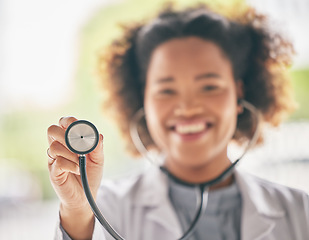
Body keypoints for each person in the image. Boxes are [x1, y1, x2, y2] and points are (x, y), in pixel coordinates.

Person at [47, 3, 309, 240]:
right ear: (143, 100)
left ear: (239, 93)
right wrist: (78, 211)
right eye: (166, 90)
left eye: (209, 86)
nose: (187, 108)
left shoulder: (300, 211)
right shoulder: (104, 210)